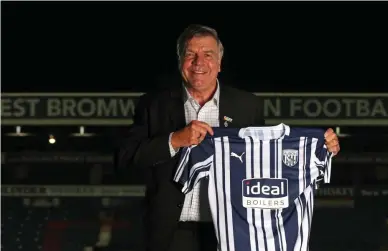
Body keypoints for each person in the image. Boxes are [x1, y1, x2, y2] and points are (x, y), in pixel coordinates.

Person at [117, 24, 340, 251]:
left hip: (231, 231)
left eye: (208, 55)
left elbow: (265, 160)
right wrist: (175, 140)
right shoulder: (153, 104)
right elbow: (125, 158)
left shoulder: (246, 106)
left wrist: (321, 146)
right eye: (190, 54)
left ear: (220, 63)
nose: (199, 63)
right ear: (179, 61)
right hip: (171, 232)